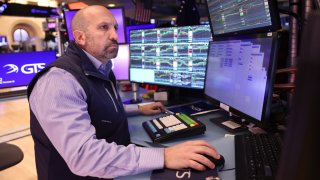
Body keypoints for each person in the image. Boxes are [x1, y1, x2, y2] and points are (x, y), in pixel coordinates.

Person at [27, 5, 221, 179]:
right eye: (104, 27)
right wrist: (164, 156)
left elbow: (94, 109)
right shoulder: (59, 80)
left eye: (115, 28)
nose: (114, 35)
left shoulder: (101, 68)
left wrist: (138, 109)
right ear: (80, 37)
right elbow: (84, 157)